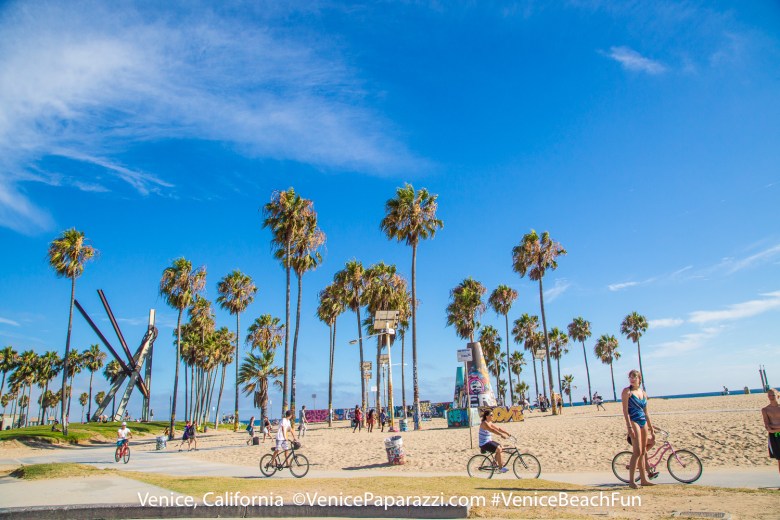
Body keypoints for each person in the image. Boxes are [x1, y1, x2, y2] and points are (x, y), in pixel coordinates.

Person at [621, 370, 655, 488]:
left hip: (643, 421)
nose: (632, 379)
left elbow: (646, 412)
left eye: (634, 377)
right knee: (637, 451)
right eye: (630, 377)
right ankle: (631, 481)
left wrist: (651, 428)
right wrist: (629, 426)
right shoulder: (627, 392)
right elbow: (625, 411)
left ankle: (644, 480)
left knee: (643, 452)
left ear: (639, 378)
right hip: (634, 421)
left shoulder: (643, 393)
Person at [478, 409, 511, 473]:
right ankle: (501, 468)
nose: (492, 416)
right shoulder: (484, 423)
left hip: (489, 441)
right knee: (498, 449)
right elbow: (492, 430)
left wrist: (507, 433)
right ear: (487, 416)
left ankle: (494, 463)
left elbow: (498, 428)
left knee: (501, 447)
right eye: (491, 415)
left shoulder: (490, 422)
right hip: (484, 443)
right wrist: (501, 435)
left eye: (492, 415)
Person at [761, 388, 780, 475]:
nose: (771, 397)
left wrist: (774, 427)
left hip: (774, 433)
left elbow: (771, 426)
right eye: (769, 395)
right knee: (779, 459)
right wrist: (775, 428)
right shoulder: (765, 410)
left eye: (773, 395)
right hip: (774, 437)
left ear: (778, 396)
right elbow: (767, 426)